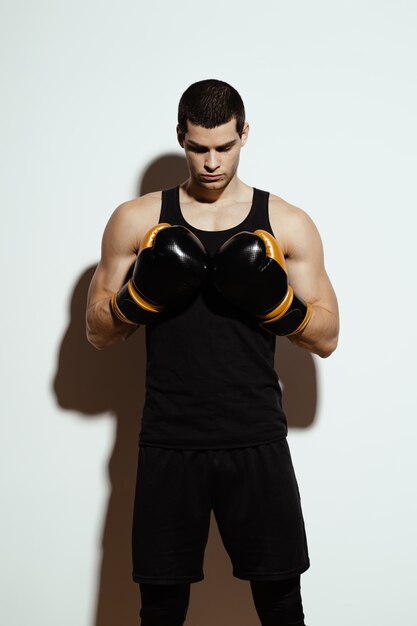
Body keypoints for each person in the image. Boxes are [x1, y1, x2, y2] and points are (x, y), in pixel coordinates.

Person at [86, 79, 339, 626]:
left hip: (256, 437)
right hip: (168, 439)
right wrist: (138, 299)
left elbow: (326, 336)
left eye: (224, 147)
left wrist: (278, 305)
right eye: (198, 147)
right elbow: (97, 331)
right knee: (161, 608)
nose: (210, 163)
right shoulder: (138, 220)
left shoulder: (286, 223)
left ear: (244, 134)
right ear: (181, 137)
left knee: (280, 602)